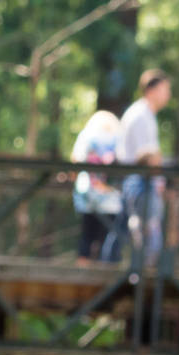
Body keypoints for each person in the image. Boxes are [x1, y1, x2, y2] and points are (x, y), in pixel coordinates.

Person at [105, 70, 172, 262]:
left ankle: (112, 267)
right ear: (151, 90)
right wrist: (159, 177)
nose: (168, 95)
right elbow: (147, 156)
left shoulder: (144, 114)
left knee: (124, 229)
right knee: (147, 231)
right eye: (165, 89)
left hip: (135, 180)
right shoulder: (141, 115)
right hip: (139, 181)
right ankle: (144, 274)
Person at [70, 110, 122, 264]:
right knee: (108, 239)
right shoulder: (118, 137)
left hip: (87, 197)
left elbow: (75, 162)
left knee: (87, 236)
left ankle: (83, 270)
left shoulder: (86, 136)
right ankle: (107, 275)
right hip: (112, 199)